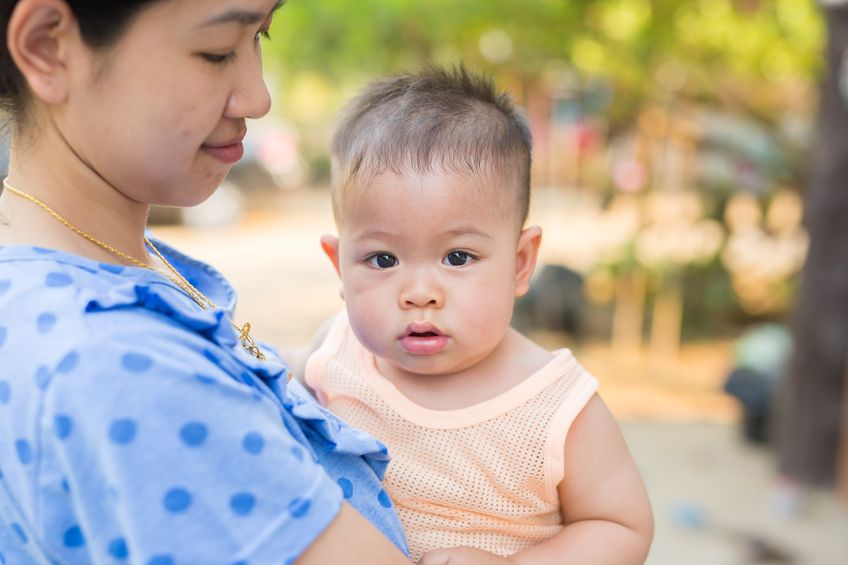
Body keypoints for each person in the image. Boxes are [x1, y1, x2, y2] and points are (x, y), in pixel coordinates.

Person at [0, 1, 413, 563]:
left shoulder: (99, 269)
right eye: (217, 51)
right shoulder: (124, 365)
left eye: (261, 37)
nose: (258, 97)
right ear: (48, 45)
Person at [302, 66, 654, 564]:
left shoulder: (555, 407)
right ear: (340, 266)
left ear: (520, 263)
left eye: (457, 258)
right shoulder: (334, 356)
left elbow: (621, 526)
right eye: (383, 260)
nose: (420, 293)